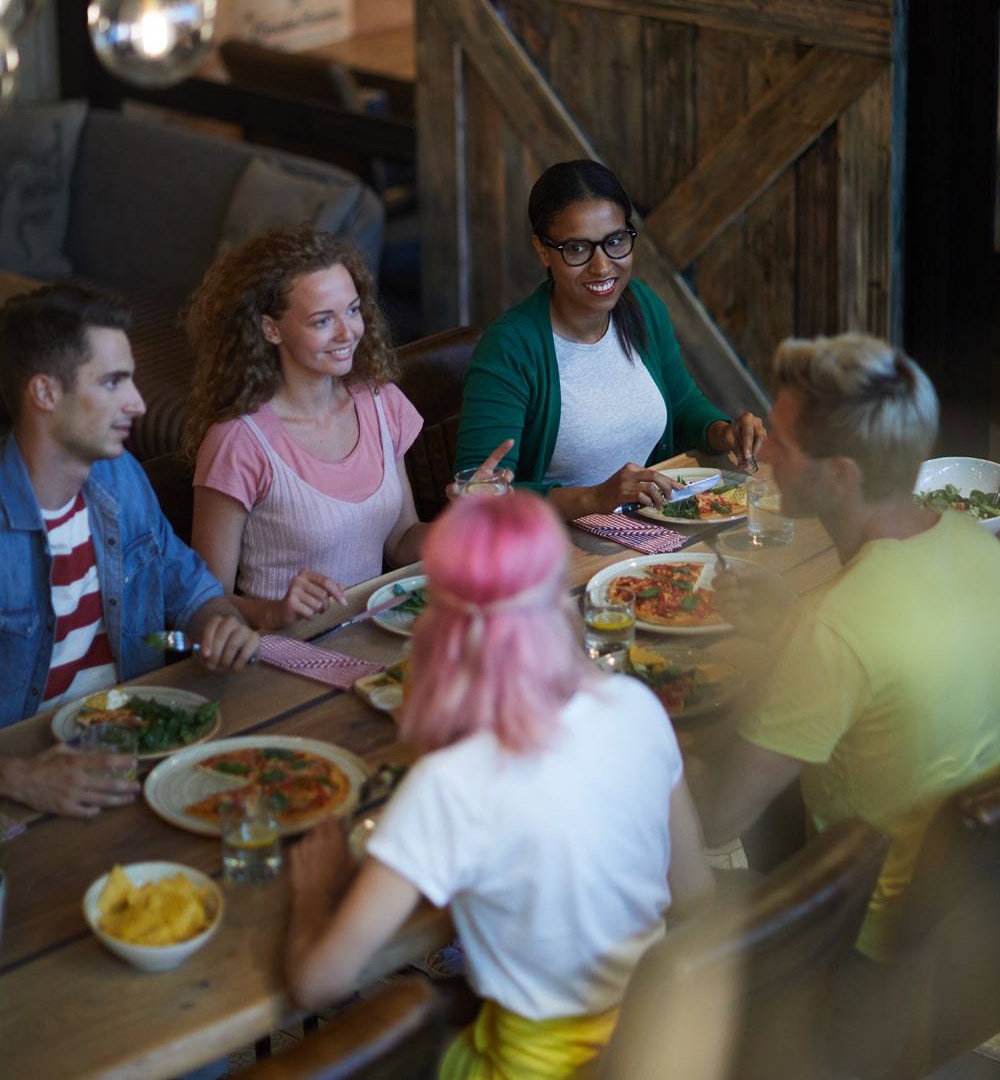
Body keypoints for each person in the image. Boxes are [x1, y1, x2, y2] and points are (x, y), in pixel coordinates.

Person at [285, 491, 712, 1079]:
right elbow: (695, 891)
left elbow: (316, 984)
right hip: (652, 1049)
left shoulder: (450, 784)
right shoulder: (635, 705)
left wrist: (315, 889)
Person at [690, 333, 1000, 1073]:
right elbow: (889, 655)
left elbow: (714, 819)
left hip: (860, 956)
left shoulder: (831, 628)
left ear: (840, 475)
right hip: (971, 928)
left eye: (783, 442)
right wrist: (793, 622)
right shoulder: (977, 547)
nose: (764, 454)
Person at [0, 284, 259, 817]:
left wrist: (219, 624)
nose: (137, 403)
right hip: (28, 788)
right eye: (113, 381)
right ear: (44, 393)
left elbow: (193, 592)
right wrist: (19, 778)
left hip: (137, 749)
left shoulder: (121, 476)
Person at [454, 160, 766, 519]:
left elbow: (682, 406)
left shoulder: (643, 307)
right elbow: (479, 494)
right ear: (542, 249)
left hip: (651, 528)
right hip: (555, 544)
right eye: (576, 248)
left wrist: (724, 432)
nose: (602, 266)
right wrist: (593, 498)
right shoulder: (510, 347)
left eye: (615, 241)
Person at [183, 224, 428, 629]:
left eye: (353, 310)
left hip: (374, 636)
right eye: (322, 320)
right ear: (270, 329)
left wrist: (472, 525)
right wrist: (275, 612)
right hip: (284, 652)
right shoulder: (238, 441)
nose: (348, 332)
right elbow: (203, 601)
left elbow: (401, 541)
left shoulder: (382, 402)